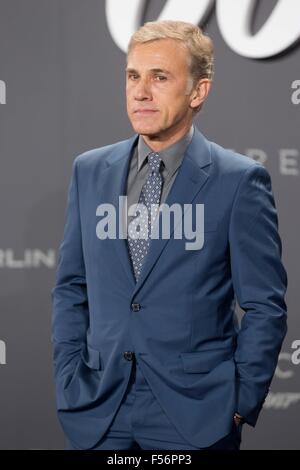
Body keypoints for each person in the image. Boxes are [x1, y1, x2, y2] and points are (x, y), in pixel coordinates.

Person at [51, 20, 288, 450]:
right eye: (133, 76)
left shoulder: (239, 181)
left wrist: (239, 402)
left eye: (159, 77)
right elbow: (71, 287)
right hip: (100, 412)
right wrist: (69, 377)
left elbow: (265, 306)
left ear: (198, 92)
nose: (140, 91)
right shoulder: (89, 171)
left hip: (196, 417)